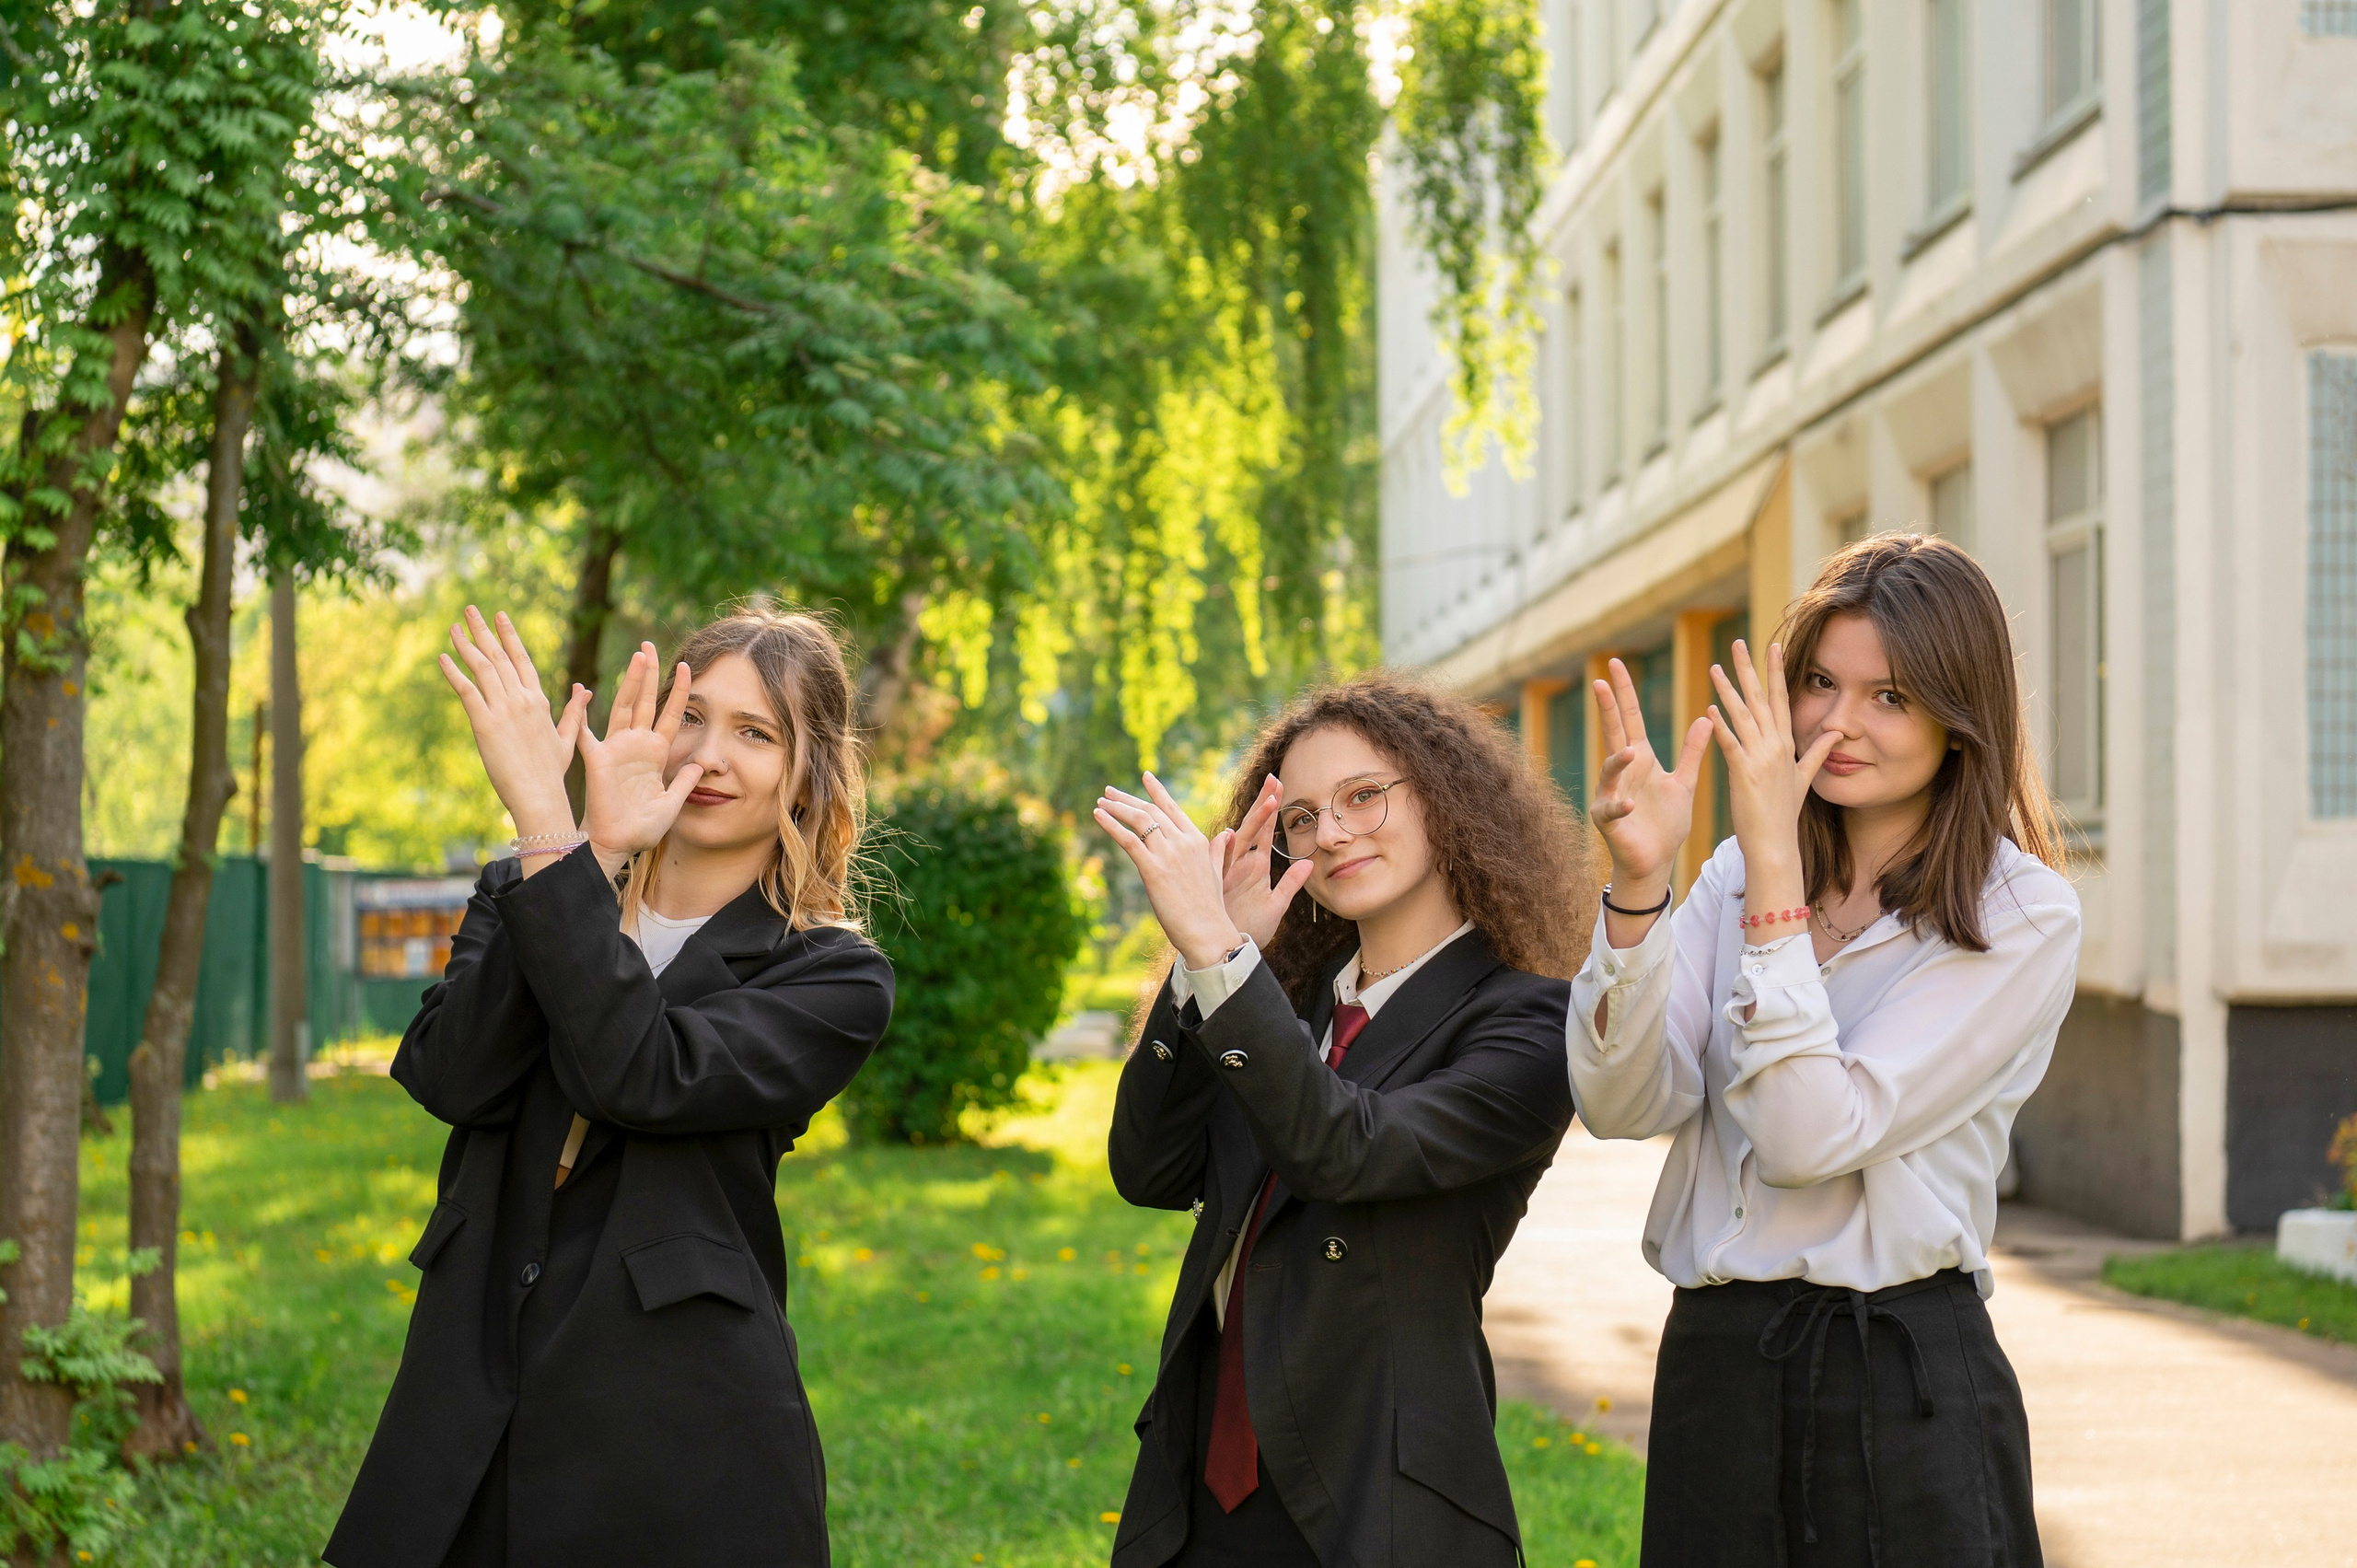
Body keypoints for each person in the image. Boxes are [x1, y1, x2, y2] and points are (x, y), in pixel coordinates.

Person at [326, 606, 892, 1568]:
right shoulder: (534, 883)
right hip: (469, 1402)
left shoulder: (833, 974)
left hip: (677, 1435)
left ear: (808, 775)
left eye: (756, 733)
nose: (709, 755)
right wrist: (582, 858)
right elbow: (448, 1073)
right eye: (694, 715)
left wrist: (552, 833)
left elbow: (639, 1073)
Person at [1570, 534, 2077, 1568]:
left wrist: (1771, 885)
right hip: (1717, 1372)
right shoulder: (1726, 872)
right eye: (1818, 683)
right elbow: (1622, 1101)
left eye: (1889, 696)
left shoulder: (2020, 912)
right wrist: (1636, 887)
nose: (1837, 725)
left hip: (1899, 1383)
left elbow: (1809, 1134)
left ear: (1959, 713)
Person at [1095, 673, 1590, 1568]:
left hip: (1376, 1504)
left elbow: (1351, 1150)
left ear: (1445, 797)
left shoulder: (1528, 1019)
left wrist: (1222, 958)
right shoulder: (1272, 1002)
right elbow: (1149, 1168)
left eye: (1365, 795)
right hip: (1197, 1490)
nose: (1331, 832)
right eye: (1301, 817)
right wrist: (1197, 968)